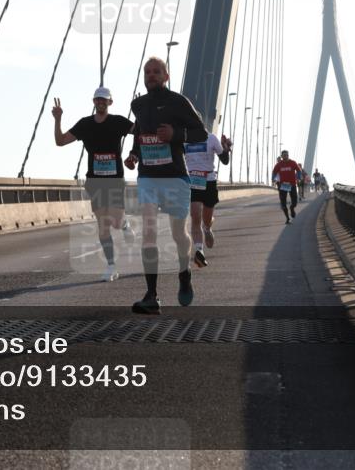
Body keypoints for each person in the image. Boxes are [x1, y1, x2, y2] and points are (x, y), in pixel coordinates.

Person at [124, 57, 208, 314]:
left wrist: (176, 135)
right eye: (147, 72)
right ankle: (152, 295)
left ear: (166, 76)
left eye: (156, 72)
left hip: (175, 176)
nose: (151, 75)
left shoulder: (178, 102)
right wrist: (134, 154)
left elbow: (201, 133)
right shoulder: (137, 104)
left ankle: (184, 274)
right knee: (148, 231)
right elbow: (141, 131)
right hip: (148, 176)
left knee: (178, 235)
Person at [52, 87, 135, 282]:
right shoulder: (85, 124)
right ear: (93, 101)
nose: (100, 102)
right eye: (98, 99)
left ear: (110, 103)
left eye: (104, 100)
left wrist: (134, 153)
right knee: (103, 225)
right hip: (95, 181)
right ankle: (111, 266)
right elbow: (60, 141)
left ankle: (124, 224)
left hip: (114, 179)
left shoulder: (118, 122)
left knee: (114, 220)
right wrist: (57, 120)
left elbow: (140, 133)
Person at [184, 133, 233, 265]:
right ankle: (199, 250)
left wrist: (225, 147)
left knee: (206, 219)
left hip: (209, 181)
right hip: (194, 181)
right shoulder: (184, 137)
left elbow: (225, 161)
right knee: (195, 216)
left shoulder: (211, 138)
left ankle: (207, 228)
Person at [271, 150, 303, 224]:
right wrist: (273, 179)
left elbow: (298, 170)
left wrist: (299, 176)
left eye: (287, 155)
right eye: (284, 155)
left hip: (292, 184)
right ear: (282, 156)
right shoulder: (279, 164)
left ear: (288, 155)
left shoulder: (292, 163)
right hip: (283, 185)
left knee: (295, 201)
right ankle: (287, 218)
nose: (285, 156)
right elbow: (274, 172)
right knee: (283, 203)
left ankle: (292, 208)